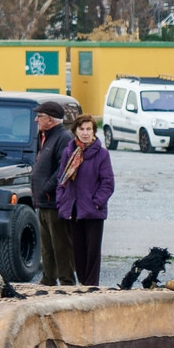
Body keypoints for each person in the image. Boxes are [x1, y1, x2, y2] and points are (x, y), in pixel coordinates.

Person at [55, 113, 114, 288]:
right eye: (82, 129)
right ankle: (82, 284)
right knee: (77, 252)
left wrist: (96, 202)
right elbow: (61, 179)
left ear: (94, 132)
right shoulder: (69, 151)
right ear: (75, 131)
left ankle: (92, 286)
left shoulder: (101, 154)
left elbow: (108, 183)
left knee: (92, 253)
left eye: (89, 129)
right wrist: (61, 202)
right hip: (73, 209)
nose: (85, 133)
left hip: (93, 210)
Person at [29, 98, 75, 285]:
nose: (36, 120)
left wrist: (47, 188)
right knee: (47, 245)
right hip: (43, 201)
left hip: (54, 202)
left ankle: (67, 281)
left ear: (51, 119)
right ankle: (48, 279)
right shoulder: (45, 137)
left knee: (60, 245)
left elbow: (63, 169)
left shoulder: (63, 138)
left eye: (39, 116)